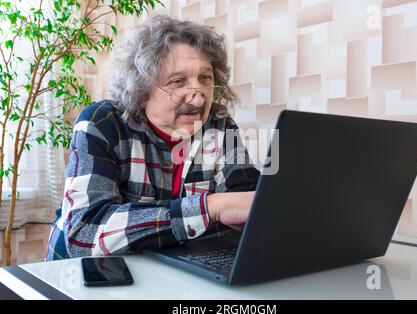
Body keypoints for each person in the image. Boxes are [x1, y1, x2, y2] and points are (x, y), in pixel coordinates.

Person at [46, 15, 260, 260]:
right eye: (178, 81)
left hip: (166, 276)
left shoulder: (219, 125)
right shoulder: (100, 123)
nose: (199, 98)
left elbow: (247, 201)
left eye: (205, 78)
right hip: (76, 278)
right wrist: (210, 208)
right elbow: (84, 234)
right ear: (142, 91)